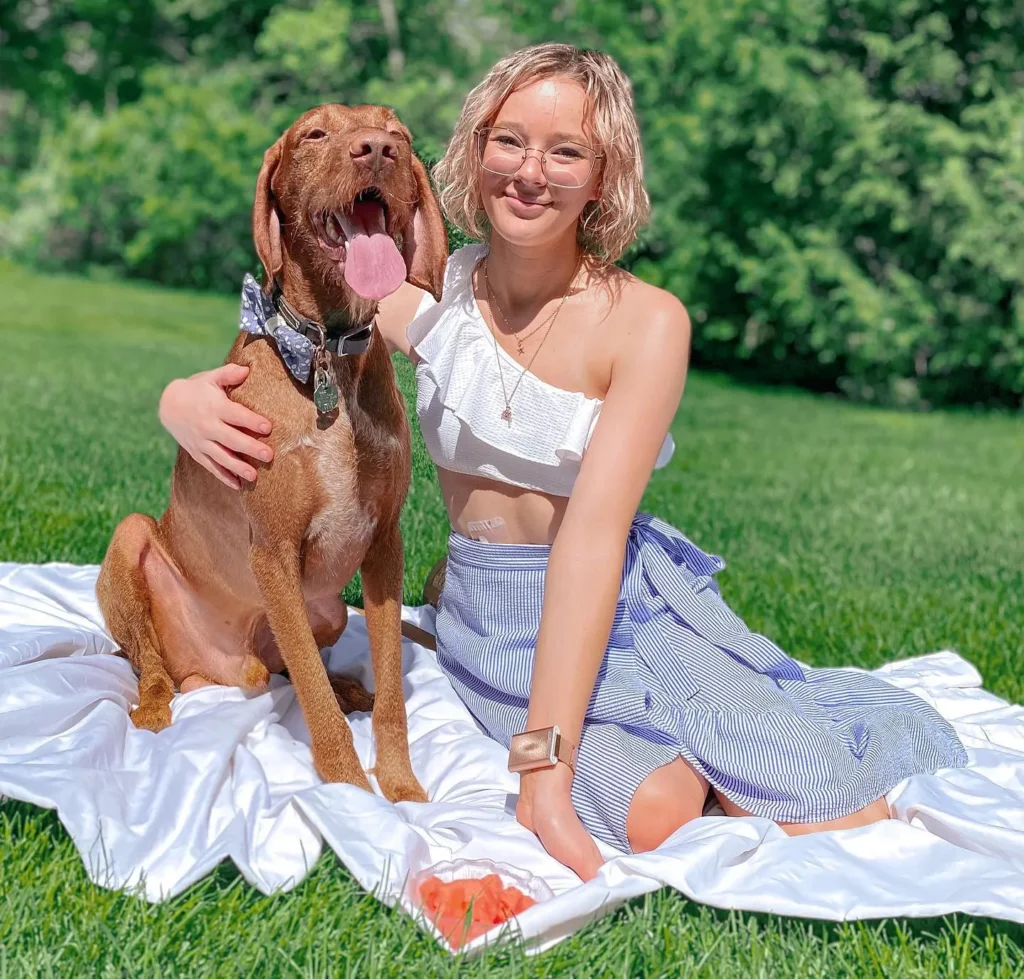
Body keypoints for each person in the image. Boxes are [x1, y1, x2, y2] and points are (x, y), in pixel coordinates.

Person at [158, 43, 967, 881]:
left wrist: (546, 764)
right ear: (476, 150)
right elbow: (285, 306)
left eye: (566, 151)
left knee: (833, 804)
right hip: (491, 619)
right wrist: (179, 399)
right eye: (509, 141)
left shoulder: (647, 323)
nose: (530, 171)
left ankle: (744, 733)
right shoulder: (423, 293)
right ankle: (706, 764)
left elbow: (592, 540)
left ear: (603, 175)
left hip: (619, 595)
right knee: (653, 814)